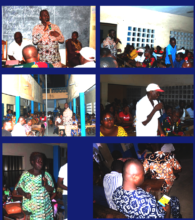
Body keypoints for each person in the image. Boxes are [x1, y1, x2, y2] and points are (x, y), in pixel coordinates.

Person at [113, 159, 181, 218]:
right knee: (173, 199)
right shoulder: (147, 203)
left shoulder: (117, 192)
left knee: (165, 198)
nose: (144, 177)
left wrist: (146, 192)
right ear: (134, 177)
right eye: (143, 175)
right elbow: (145, 204)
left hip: (144, 211)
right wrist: (168, 211)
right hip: (154, 211)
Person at [15, 152, 55, 219]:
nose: (40, 163)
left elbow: (52, 189)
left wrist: (46, 185)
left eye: (42, 161)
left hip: (43, 210)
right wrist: (25, 194)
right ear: (32, 162)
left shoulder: (46, 175)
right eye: (38, 161)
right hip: (30, 209)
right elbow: (18, 188)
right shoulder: (25, 175)